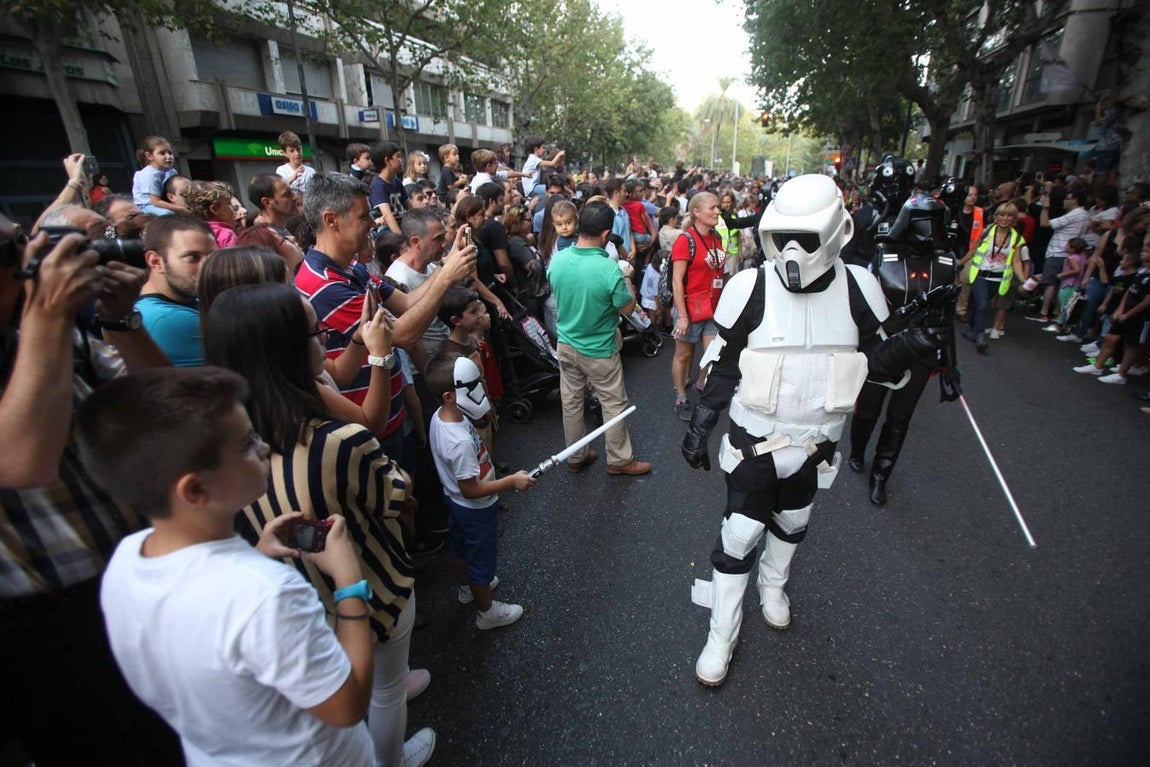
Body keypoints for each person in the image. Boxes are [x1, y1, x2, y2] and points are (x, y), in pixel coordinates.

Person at [680, 174, 937, 686]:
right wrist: (700, 423)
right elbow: (723, 363)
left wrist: (906, 350)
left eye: (807, 238)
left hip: (817, 442)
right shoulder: (750, 285)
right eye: (784, 238)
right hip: (755, 441)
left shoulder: (860, 287)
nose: (793, 252)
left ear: (837, 234)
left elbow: (879, 369)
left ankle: (773, 585)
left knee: (794, 521)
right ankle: (721, 634)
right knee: (739, 535)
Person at [75, 366, 379, 767]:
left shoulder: (127, 560)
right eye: (246, 443)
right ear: (195, 488)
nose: (263, 448)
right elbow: (348, 705)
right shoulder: (267, 596)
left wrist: (257, 555)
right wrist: (348, 581)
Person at [202, 284, 435, 766]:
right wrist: (378, 356)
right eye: (317, 333)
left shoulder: (216, 455)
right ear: (288, 350)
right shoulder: (340, 442)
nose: (325, 340)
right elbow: (395, 494)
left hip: (298, 607)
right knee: (386, 691)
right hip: (373, 590)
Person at [0, 216, 182, 765]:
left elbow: (165, 404)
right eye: (12, 250)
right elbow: (22, 461)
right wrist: (48, 315)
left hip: (134, 573)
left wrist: (119, 317)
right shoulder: (43, 328)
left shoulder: (40, 335)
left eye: (24, 239)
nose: (33, 255)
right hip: (51, 625)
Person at [848, 192, 961, 505]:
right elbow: (866, 309)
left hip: (921, 353)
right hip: (882, 348)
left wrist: (950, 365)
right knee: (867, 410)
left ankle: (881, 474)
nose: (930, 230)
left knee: (899, 418)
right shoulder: (882, 258)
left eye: (935, 222)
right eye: (924, 221)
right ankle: (857, 450)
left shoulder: (947, 263)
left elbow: (947, 319)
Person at [426, 353, 535, 628]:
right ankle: (487, 612)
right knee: (481, 562)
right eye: (471, 386)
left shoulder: (441, 417)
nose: (479, 390)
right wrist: (510, 482)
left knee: (462, 549)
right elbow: (471, 489)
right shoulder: (459, 442)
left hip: (456, 503)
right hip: (475, 508)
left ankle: (467, 588)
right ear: (449, 396)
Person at [547, 201, 652, 476]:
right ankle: (619, 460)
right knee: (613, 404)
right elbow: (627, 308)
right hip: (599, 349)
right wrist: (626, 278)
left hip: (566, 343)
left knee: (571, 403)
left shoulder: (558, 260)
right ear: (606, 234)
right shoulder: (608, 268)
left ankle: (575, 455)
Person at [670, 192, 726, 421]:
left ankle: (702, 383)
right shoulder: (686, 240)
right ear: (696, 212)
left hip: (713, 308)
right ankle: (681, 397)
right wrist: (682, 316)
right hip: (690, 309)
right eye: (712, 208)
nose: (717, 211)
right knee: (683, 355)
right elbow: (676, 280)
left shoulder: (716, 237)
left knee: (712, 354)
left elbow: (720, 272)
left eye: (717, 207)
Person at [136, 214, 216, 367]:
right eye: (193, 257)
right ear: (155, 261)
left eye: (212, 256)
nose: (207, 266)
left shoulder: (185, 298)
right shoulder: (168, 319)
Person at [959, 203, 1027, 352]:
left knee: (980, 305)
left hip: (998, 279)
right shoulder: (987, 232)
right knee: (983, 304)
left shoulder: (1017, 239)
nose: (1005, 218)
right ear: (996, 216)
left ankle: (969, 326)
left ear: (1014, 218)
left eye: (1009, 215)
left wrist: (1023, 279)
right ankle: (979, 335)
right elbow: (974, 250)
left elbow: (1016, 262)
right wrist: (960, 263)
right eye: (1002, 215)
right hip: (980, 275)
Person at [132, 135, 181, 217]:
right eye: (162, 153)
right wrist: (181, 209)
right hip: (147, 205)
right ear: (149, 156)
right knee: (168, 215)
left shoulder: (172, 172)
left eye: (170, 153)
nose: (168, 157)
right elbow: (156, 202)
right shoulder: (149, 174)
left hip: (163, 201)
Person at [184, 180, 239, 249]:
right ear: (214, 209)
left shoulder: (193, 233)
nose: (233, 207)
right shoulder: (227, 235)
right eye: (229, 203)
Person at [369, 141, 408, 234]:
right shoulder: (378, 186)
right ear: (387, 160)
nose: (401, 160)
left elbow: (409, 207)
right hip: (388, 232)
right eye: (398, 156)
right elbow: (388, 216)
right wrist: (400, 239)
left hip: (404, 226)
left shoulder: (397, 182)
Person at [276, 130, 316, 194]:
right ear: (285, 153)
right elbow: (279, 190)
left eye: (298, 149)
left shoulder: (311, 171)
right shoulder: (281, 170)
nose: (297, 153)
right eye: (292, 151)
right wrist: (293, 177)